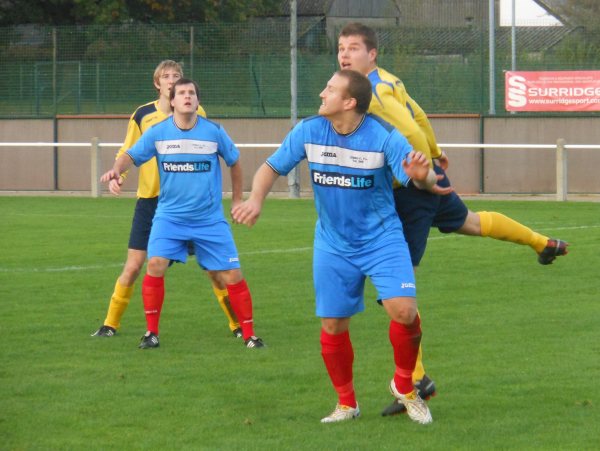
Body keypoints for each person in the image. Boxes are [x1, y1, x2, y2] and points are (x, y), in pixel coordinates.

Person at [337, 22, 570, 415]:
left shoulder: (371, 92)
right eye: (341, 48)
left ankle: (417, 380)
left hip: (414, 190)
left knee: (396, 288)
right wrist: (437, 151)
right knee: (473, 223)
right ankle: (543, 242)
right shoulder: (387, 80)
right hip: (427, 178)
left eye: (354, 49)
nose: (345, 55)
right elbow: (420, 116)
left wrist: (425, 170)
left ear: (372, 54)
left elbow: (408, 127)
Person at [233, 70, 452, 423]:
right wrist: (256, 199)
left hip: (382, 238)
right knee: (333, 325)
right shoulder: (309, 130)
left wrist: (421, 173)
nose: (321, 93)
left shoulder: (382, 135)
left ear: (349, 102)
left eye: (330, 89)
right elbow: (271, 167)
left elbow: (422, 179)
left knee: (405, 312)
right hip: (333, 243)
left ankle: (404, 387)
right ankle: (347, 404)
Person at [100, 77, 264, 349]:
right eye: (182, 93)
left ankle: (249, 334)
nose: (187, 96)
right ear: (173, 101)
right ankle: (151, 333)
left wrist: (237, 200)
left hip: (209, 220)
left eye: (192, 93)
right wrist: (117, 170)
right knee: (154, 265)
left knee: (232, 275)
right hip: (169, 218)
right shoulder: (158, 132)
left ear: (198, 101)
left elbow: (234, 162)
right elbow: (130, 155)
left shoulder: (214, 131)